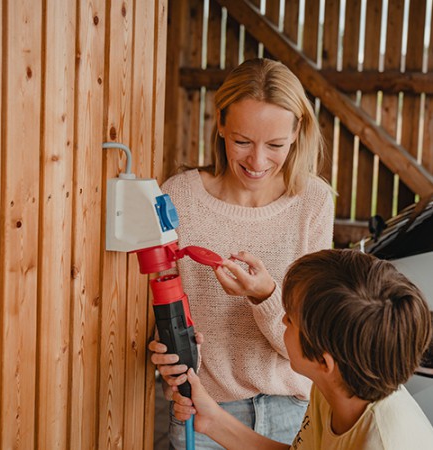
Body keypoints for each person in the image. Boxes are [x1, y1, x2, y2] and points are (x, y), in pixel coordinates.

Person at [149, 57, 335, 448]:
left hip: (294, 411)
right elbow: (151, 308)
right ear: (220, 123)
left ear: (297, 130)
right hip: (202, 413)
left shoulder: (313, 201)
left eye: (275, 145)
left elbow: (312, 338)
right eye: (242, 141)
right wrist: (161, 356)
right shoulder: (178, 196)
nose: (257, 161)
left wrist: (265, 296)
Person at [172, 249, 433, 449]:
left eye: (291, 319)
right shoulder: (340, 384)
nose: (283, 319)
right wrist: (214, 420)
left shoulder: (383, 442)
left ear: (323, 361)